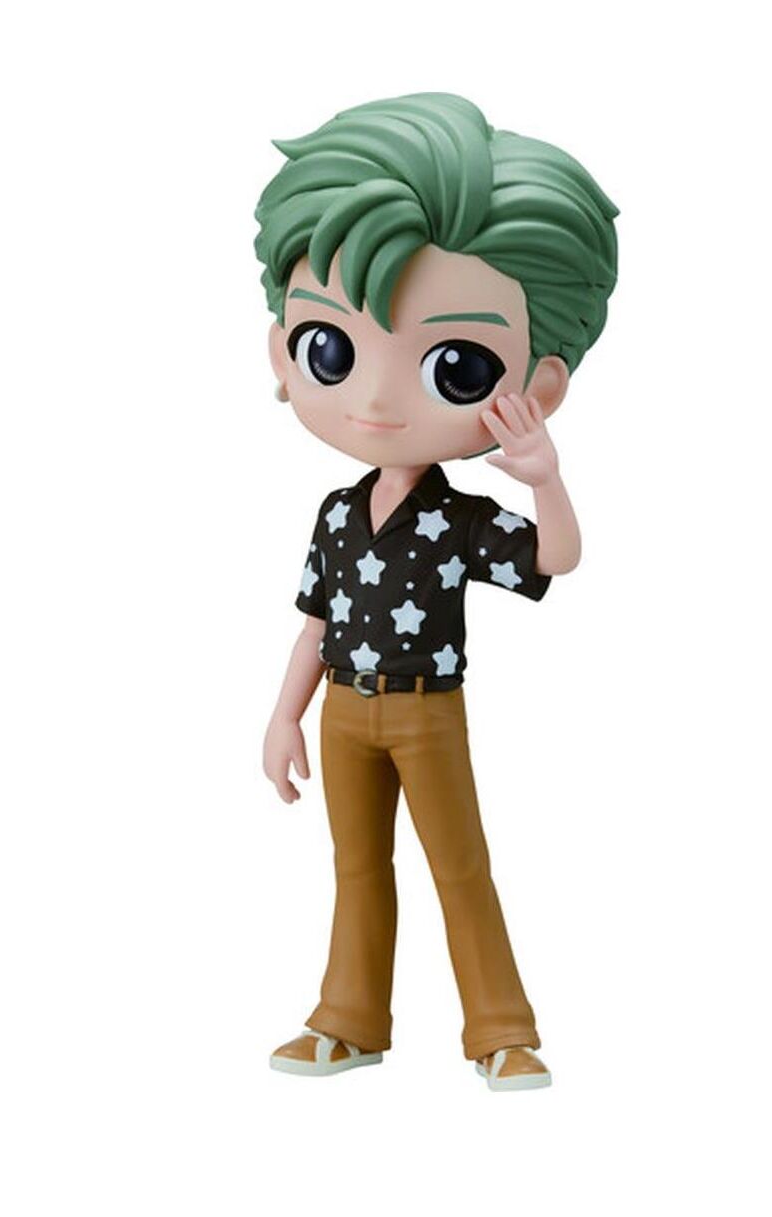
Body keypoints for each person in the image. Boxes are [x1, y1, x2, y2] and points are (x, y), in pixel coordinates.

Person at [253, 93, 618, 1091]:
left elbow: (555, 560)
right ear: (284, 353)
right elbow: (314, 620)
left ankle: (501, 1029)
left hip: (426, 711)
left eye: (453, 365)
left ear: (536, 388)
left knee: (460, 868)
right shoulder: (337, 510)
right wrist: (285, 715)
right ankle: (347, 1019)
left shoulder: (457, 519)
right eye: (331, 348)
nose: (375, 399)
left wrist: (545, 479)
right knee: (355, 869)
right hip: (344, 711)